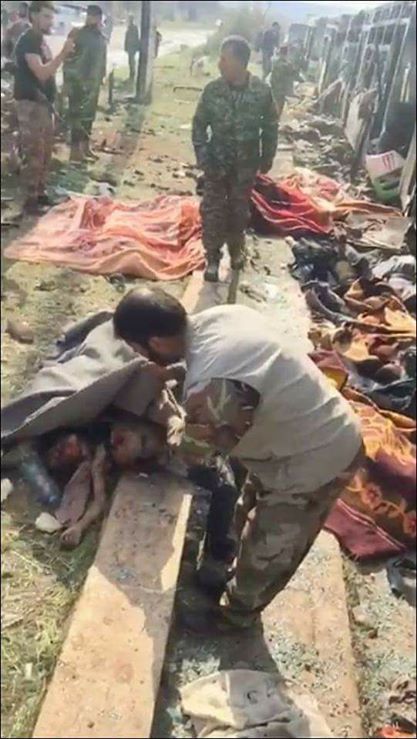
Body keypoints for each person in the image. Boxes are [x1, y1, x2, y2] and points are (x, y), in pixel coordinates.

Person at [113, 289, 364, 634]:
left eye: (139, 349)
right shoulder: (222, 317)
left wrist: (171, 420)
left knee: (270, 548)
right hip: (291, 433)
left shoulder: (214, 388)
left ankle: (235, 616)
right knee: (245, 510)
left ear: (155, 341)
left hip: (318, 457)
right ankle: (226, 570)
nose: (141, 357)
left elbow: (196, 455)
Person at [192, 35, 278, 282]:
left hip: (245, 165)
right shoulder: (213, 90)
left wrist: (267, 157)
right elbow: (199, 125)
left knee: (239, 211)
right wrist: (203, 156)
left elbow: (270, 126)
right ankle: (212, 258)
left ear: (240, 62)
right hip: (216, 163)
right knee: (212, 211)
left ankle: (236, 249)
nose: (220, 64)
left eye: (225, 59)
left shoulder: (261, 92)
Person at [13, 0, 75, 214]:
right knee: (34, 153)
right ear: (34, 15)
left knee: (45, 152)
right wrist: (63, 53)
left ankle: (40, 193)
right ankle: (30, 201)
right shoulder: (28, 40)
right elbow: (41, 73)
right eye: (46, 16)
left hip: (42, 105)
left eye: (52, 17)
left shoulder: (40, 41)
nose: (51, 21)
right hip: (31, 106)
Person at [63, 4, 107, 162]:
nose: (91, 19)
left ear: (99, 18)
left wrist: (101, 78)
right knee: (77, 118)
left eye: (94, 16)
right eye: (89, 15)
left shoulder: (100, 37)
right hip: (78, 83)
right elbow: (67, 58)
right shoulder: (77, 34)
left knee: (89, 117)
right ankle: (75, 152)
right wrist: (68, 81)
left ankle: (85, 147)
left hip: (93, 85)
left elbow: (102, 60)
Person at [270, 45, 301, 122]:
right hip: (281, 89)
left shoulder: (274, 61)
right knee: (279, 106)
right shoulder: (287, 64)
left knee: (274, 105)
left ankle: (274, 119)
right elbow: (294, 74)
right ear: (287, 53)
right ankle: (276, 120)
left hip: (274, 87)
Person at [124, 13, 140, 81]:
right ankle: (132, 72)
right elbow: (127, 38)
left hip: (132, 46)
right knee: (130, 60)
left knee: (131, 60)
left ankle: (132, 73)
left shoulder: (134, 28)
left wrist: (137, 46)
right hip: (130, 46)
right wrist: (125, 46)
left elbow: (136, 38)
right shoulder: (129, 27)